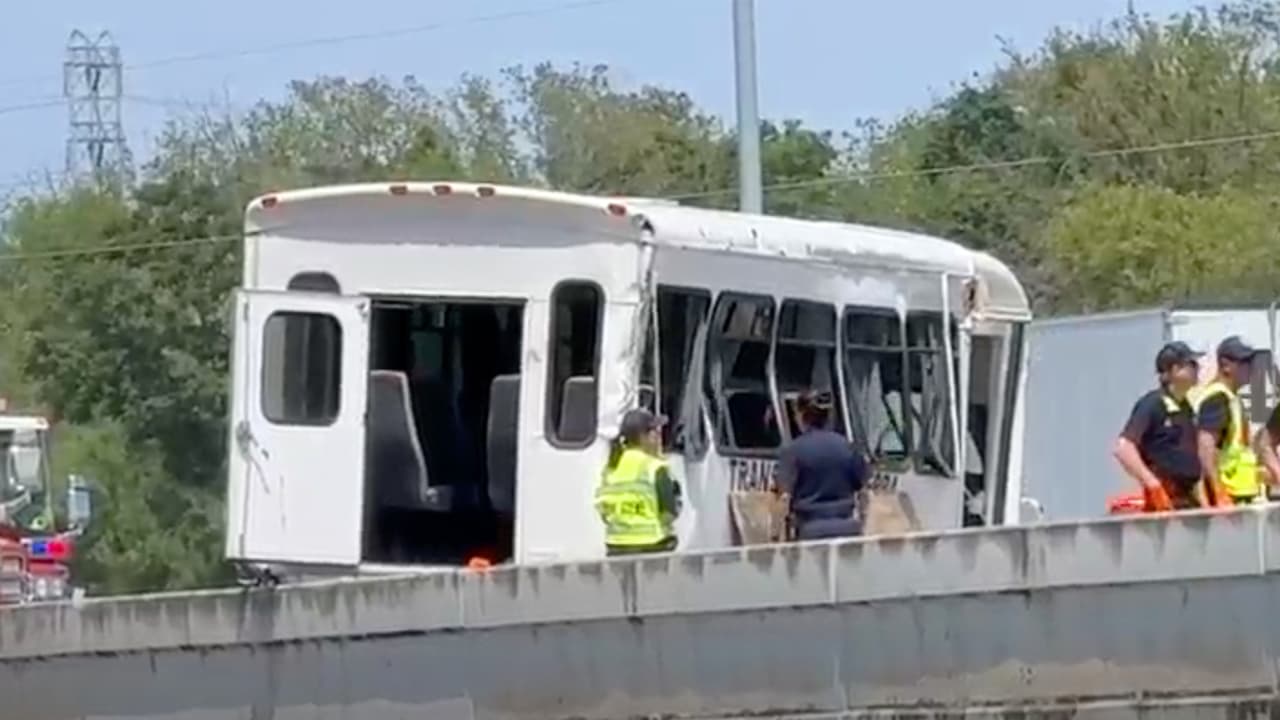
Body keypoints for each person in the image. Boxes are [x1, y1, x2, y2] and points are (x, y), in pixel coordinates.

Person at [1111, 342, 1203, 511]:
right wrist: (1152, 484)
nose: (1198, 369)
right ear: (1175, 370)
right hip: (1164, 501)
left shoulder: (1185, 408)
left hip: (1186, 500)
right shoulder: (1153, 404)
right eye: (1192, 365)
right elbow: (1123, 448)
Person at [776, 390, 868, 540]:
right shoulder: (847, 447)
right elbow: (864, 491)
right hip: (848, 529)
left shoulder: (793, 450)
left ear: (801, 415)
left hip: (811, 532)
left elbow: (784, 499)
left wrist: (775, 536)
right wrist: (862, 523)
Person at [594, 408, 682, 556]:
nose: (659, 436)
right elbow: (669, 511)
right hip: (653, 545)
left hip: (616, 546)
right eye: (655, 431)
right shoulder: (655, 467)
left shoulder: (611, 468)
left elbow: (603, 511)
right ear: (643, 437)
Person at [1193, 335, 1264, 507]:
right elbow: (1206, 449)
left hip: (1239, 494)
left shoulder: (1232, 397)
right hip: (1227, 496)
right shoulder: (1217, 399)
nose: (1250, 368)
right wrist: (1218, 493)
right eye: (1244, 362)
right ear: (1226, 365)